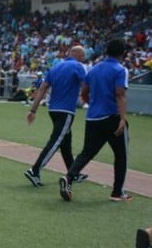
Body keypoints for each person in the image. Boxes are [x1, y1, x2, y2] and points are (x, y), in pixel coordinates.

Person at [59, 39, 131, 202]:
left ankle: (69, 178)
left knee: (86, 153)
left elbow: (84, 93)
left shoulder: (93, 69)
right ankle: (117, 192)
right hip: (112, 117)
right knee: (121, 155)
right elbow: (120, 94)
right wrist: (122, 119)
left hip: (93, 118)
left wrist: (93, 105)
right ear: (122, 53)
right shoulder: (120, 70)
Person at [24, 46, 88, 187]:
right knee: (56, 141)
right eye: (83, 56)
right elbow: (86, 85)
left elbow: (42, 89)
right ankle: (35, 170)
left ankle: (73, 172)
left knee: (66, 142)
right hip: (66, 110)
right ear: (77, 55)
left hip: (53, 109)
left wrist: (32, 110)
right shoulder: (78, 67)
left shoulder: (55, 67)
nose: (84, 58)